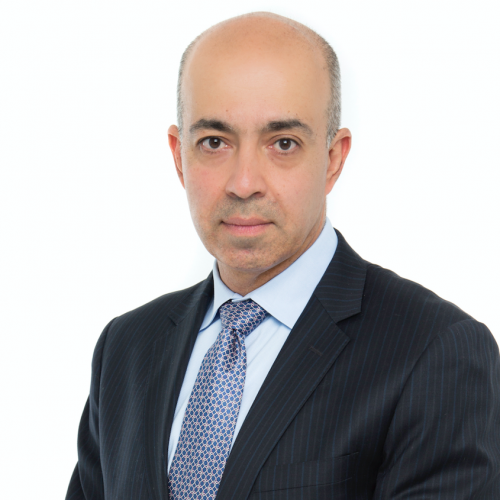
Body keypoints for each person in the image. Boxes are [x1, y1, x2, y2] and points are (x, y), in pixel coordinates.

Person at [66, 11, 500, 500]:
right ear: (178, 155)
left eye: (284, 143)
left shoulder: (434, 352)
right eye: (214, 142)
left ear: (333, 158)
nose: (244, 182)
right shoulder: (126, 348)